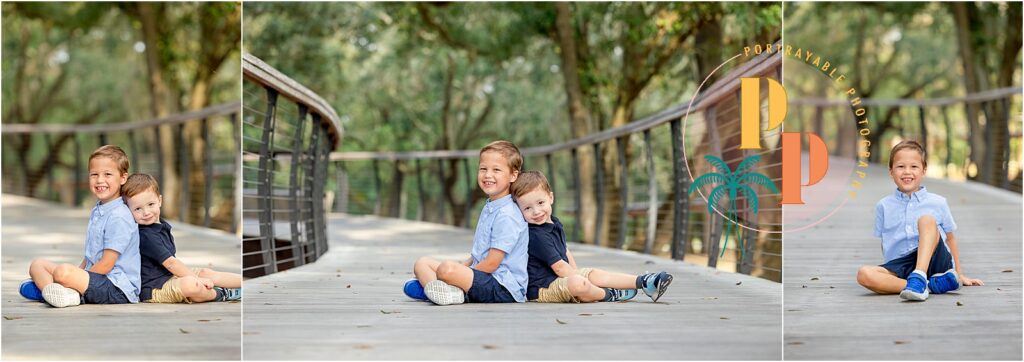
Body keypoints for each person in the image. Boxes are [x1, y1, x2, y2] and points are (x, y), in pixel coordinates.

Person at [511, 171, 673, 303]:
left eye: (540, 203)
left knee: (593, 273)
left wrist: (579, 272)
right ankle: (608, 294)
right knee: (579, 284)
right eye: (527, 208)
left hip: (560, 278)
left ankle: (644, 281)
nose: (536, 211)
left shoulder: (554, 222)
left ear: (551, 198)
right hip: (542, 289)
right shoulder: (536, 236)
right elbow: (559, 268)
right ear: (519, 211)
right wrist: (580, 277)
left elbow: (565, 250)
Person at [856, 140, 984, 301]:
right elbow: (885, 241)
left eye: (914, 166)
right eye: (900, 166)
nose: (907, 172)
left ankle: (919, 276)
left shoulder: (938, 202)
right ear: (891, 171)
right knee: (864, 274)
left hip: (936, 261)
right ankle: (927, 286)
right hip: (902, 264)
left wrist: (959, 274)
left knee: (926, 220)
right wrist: (889, 272)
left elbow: (950, 239)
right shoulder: (883, 205)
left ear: (924, 170)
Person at [406, 140, 529, 305]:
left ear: (513, 175)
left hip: (503, 287)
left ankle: (443, 288)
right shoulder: (491, 206)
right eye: (483, 169)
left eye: (496, 170)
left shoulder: (508, 215)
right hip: (483, 277)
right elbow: (479, 254)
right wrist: (462, 268)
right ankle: (443, 290)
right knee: (422, 263)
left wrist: (459, 273)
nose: (488, 175)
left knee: (446, 269)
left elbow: (492, 264)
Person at [25, 145, 141, 307]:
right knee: (37, 265)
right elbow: (90, 258)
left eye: (107, 174)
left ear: (123, 178)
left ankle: (59, 290)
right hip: (96, 278)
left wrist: (73, 278)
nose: (100, 180)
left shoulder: (119, 216)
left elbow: (107, 264)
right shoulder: (98, 210)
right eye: (94, 174)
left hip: (117, 288)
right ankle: (55, 292)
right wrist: (76, 275)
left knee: (62, 272)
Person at [121, 173, 242, 303]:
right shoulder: (145, 236)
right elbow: (171, 263)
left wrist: (198, 277)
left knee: (206, 273)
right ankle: (221, 293)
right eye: (138, 209)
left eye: (150, 204)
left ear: (160, 201)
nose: (146, 212)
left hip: (169, 276)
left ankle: (247, 285)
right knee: (191, 285)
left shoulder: (160, 225)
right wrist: (197, 279)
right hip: (154, 288)